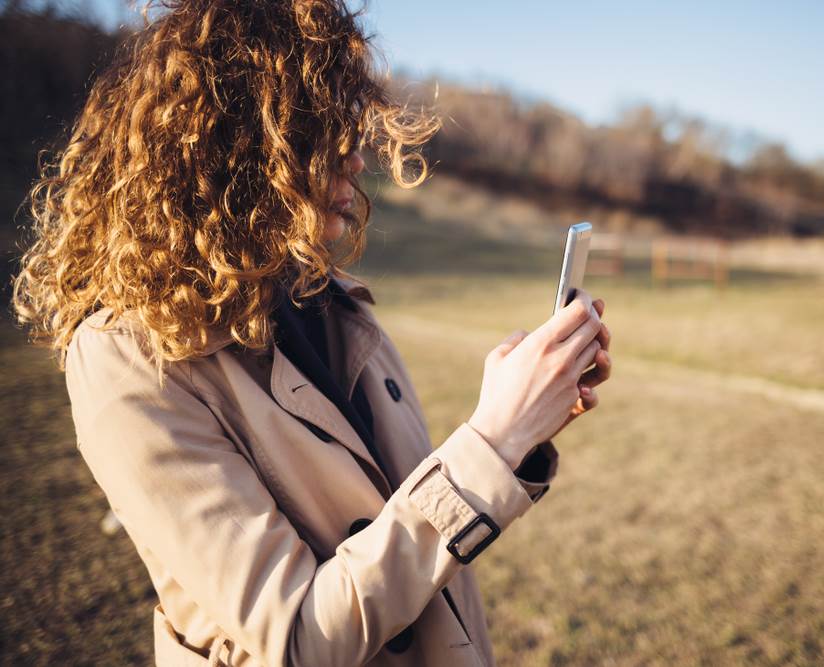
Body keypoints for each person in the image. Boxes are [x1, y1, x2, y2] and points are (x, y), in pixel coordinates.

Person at [10, 1, 612, 665]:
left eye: (351, 127)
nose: (355, 159)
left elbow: (415, 527)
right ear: (242, 139)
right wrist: (492, 442)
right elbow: (298, 637)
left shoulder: (328, 300)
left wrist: (519, 423)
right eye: (324, 128)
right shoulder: (124, 360)